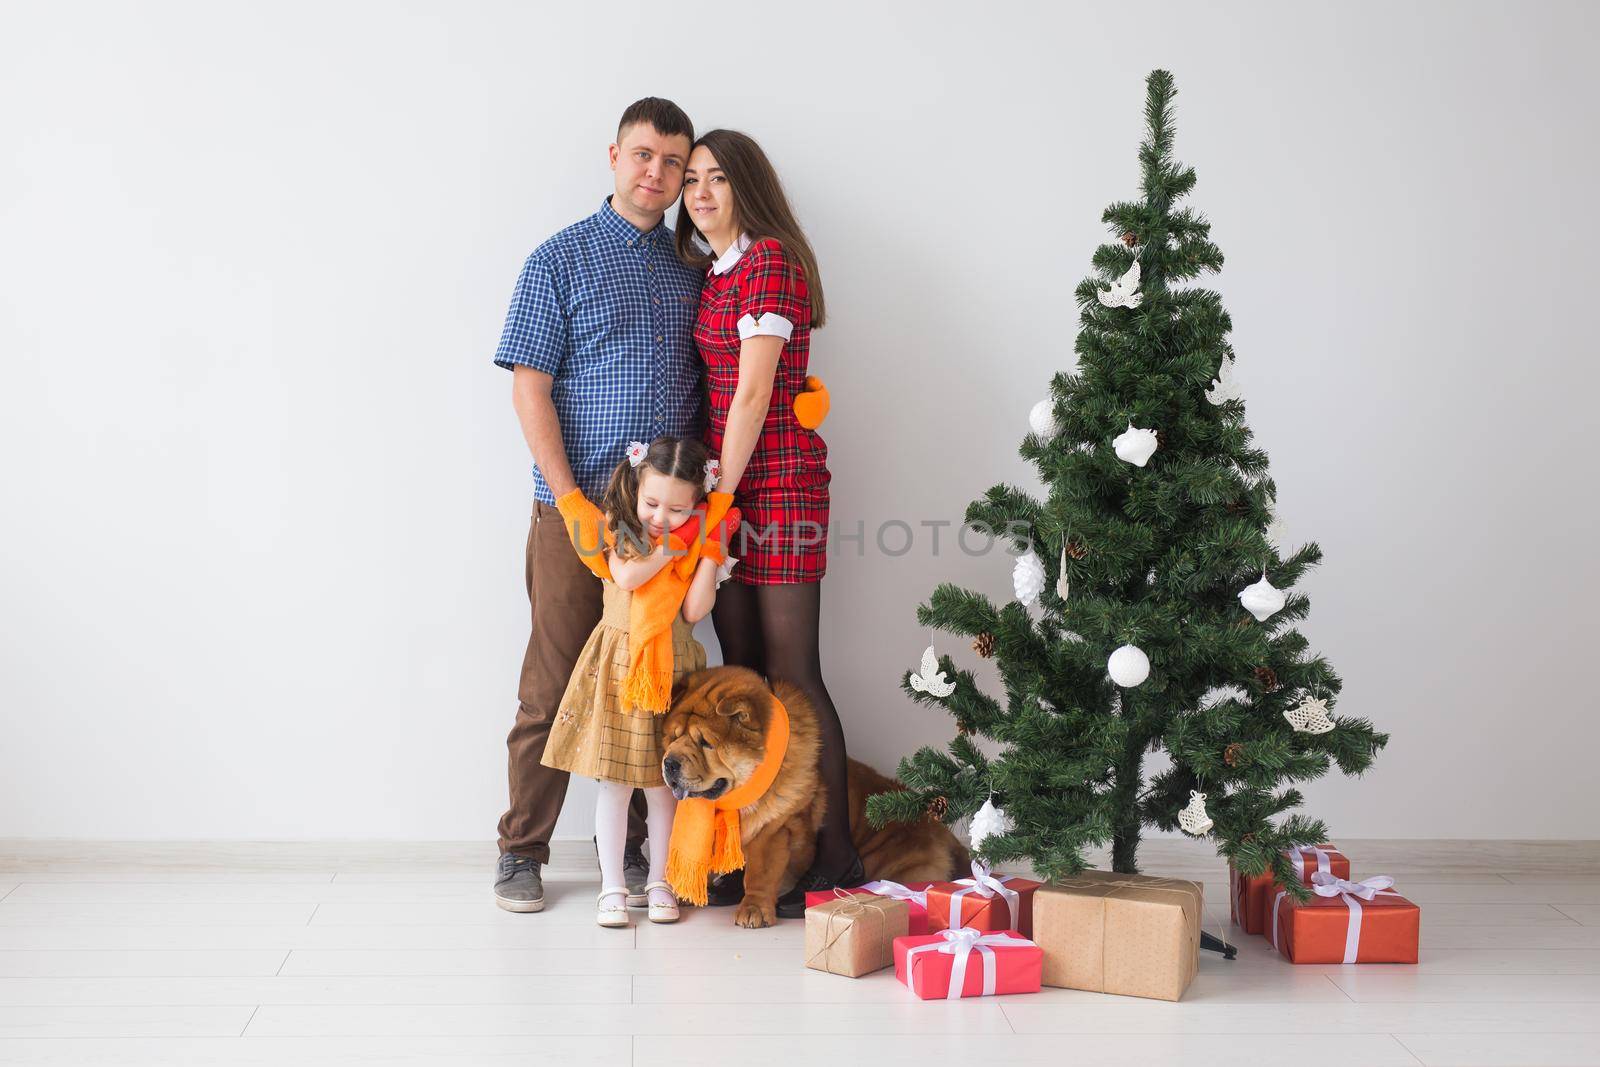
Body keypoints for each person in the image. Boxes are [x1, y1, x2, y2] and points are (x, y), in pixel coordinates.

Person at [491, 98, 704, 913]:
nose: (657, 174)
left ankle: (650, 852)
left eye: (673, 164)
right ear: (615, 156)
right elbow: (529, 387)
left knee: (658, 681)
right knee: (551, 686)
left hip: (672, 523)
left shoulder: (694, 265)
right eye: (644, 155)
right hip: (578, 516)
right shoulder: (558, 261)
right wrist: (575, 501)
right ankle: (521, 850)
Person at [675, 129, 862, 916]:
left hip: (777, 489)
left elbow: (752, 397)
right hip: (732, 492)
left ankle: (838, 853)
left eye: (718, 178)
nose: (701, 192)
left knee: (796, 676)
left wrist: (723, 499)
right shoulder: (714, 273)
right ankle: (751, 853)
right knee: (741, 676)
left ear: (748, 187)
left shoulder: (769, 262)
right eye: (692, 180)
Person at [540, 437, 738, 926]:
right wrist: (671, 546)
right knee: (614, 786)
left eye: (676, 509)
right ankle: (611, 885)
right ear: (636, 490)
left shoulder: (691, 548)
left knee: (664, 788)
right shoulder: (620, 530)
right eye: (652, 503)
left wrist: (711, 551)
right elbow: (627, 579)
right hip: (621, 670)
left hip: (677, 674)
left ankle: (660, 881)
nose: (660, 516)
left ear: (695, 507)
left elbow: (694, 609)